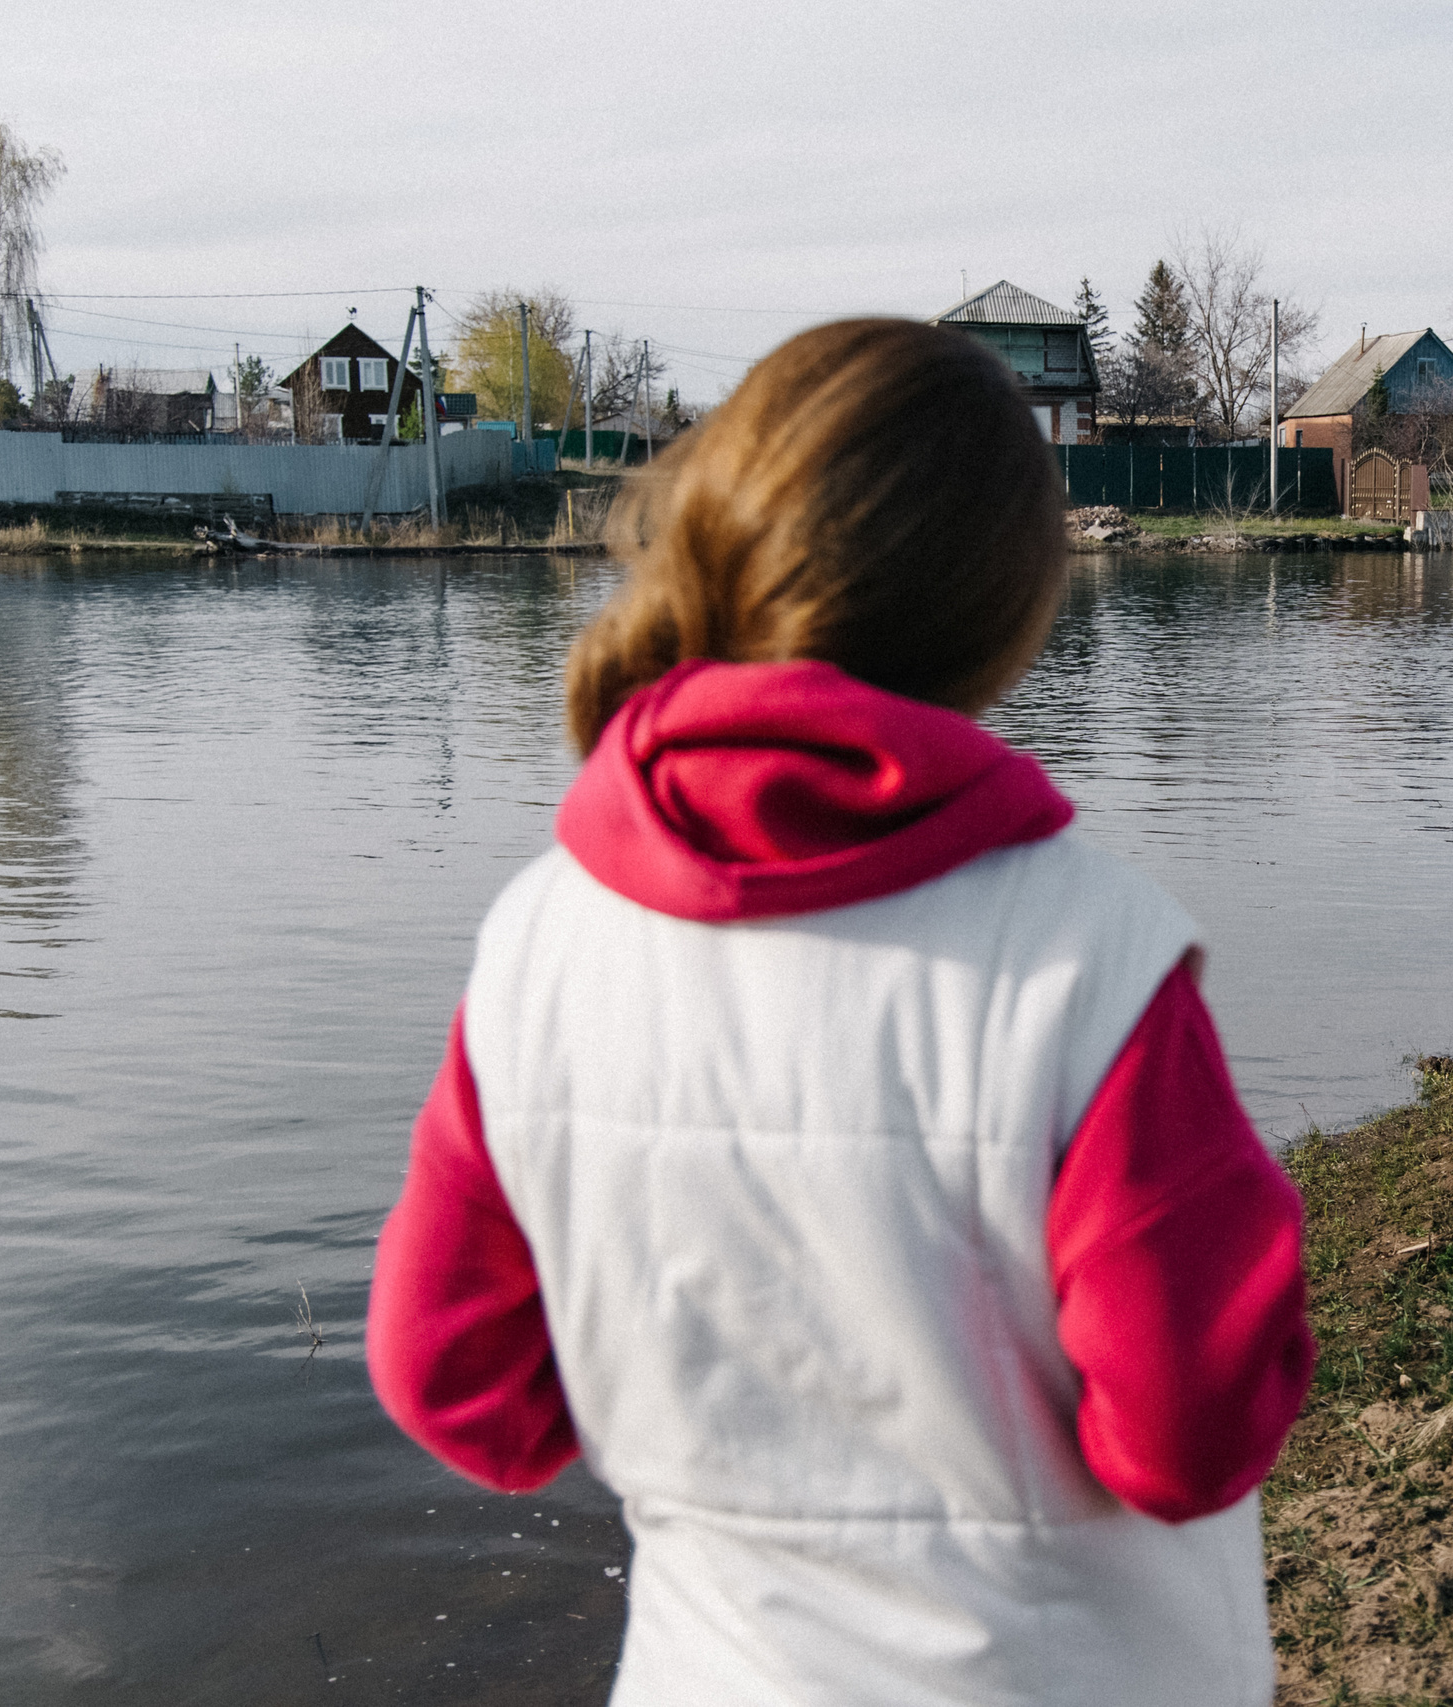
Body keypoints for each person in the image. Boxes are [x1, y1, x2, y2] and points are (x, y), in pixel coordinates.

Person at [366, 319, 1313, 1707]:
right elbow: (1188, 1440)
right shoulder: (1088, 954)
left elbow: (460, 1387)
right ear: (1007, 605)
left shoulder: (536, 942)